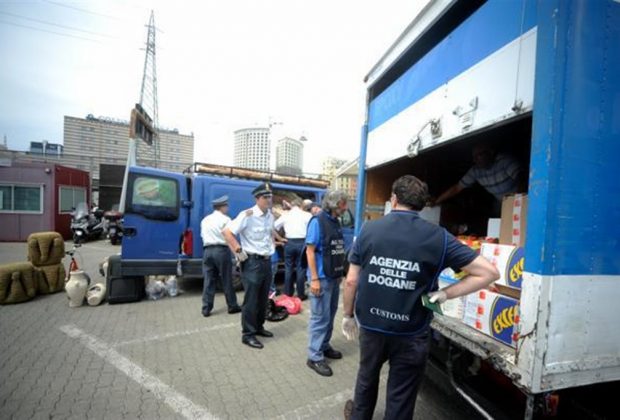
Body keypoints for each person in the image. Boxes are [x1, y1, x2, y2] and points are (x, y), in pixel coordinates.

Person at [342, 175, 500, 419]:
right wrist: (445, 294)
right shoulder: (439, 237)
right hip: (411, 331)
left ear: (393, 200)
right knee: (401, 394)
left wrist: (347, 315)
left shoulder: (369, 229)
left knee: (366, 379)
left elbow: (351, 280)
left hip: (372, 327)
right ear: (423, 204)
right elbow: (489, 272)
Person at [223, 182, 285, 350]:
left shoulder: (269, 216)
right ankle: (248, 334)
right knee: (251, 299)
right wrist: (237, 249)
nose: (269, 200)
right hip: (252, 262)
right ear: (257, 199)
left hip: (266, 260)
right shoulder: (247, 215)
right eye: (265, 197)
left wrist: (276, 241)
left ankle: (258, 327)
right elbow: (227, 232)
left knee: (263, 297)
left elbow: (269, 232)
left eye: (270, 197)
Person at [305, 190, 349, 377]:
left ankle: (323, 345)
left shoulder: (335, 222)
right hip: (321, 279)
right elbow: (310, 251)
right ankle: (314, 357)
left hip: (333, 277)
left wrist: (340, 273)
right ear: (333, 204)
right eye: (342, 204)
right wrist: (314, 279)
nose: (345, 208)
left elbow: (335, 250)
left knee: (329, 316)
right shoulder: (317, 222)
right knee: (319, 318)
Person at [433, 144, 525, 214]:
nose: (475, 160)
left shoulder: (504, 161)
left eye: (478, 155)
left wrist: (517, 199)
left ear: (490, 152)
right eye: (474, 157)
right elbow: (457, 188)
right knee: (498, 224)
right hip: (500, 201)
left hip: (519, 198)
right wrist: (437, 201)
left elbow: (522, 177)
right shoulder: (476, 171)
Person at [200, 195, 241, 317]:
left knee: (208, 279)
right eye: (226, 205)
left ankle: (206, 308)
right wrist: (237, 254)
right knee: (227, 279)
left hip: (207, 251)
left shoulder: (205, 220)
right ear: (222, 207)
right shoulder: (226, 220)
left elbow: (203, 236)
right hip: (221, 251)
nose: (227, 208)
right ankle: (232, 306)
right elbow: (229, 238)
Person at [274, 198, 312, 300]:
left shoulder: (285, 215)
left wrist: (280, 238)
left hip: (289, 242)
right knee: (301, 268)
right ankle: (300, 294)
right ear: (300, 205)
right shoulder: (307, 215)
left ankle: (288, 293)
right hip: (302, 243)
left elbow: (274, 227)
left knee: (288, 268)